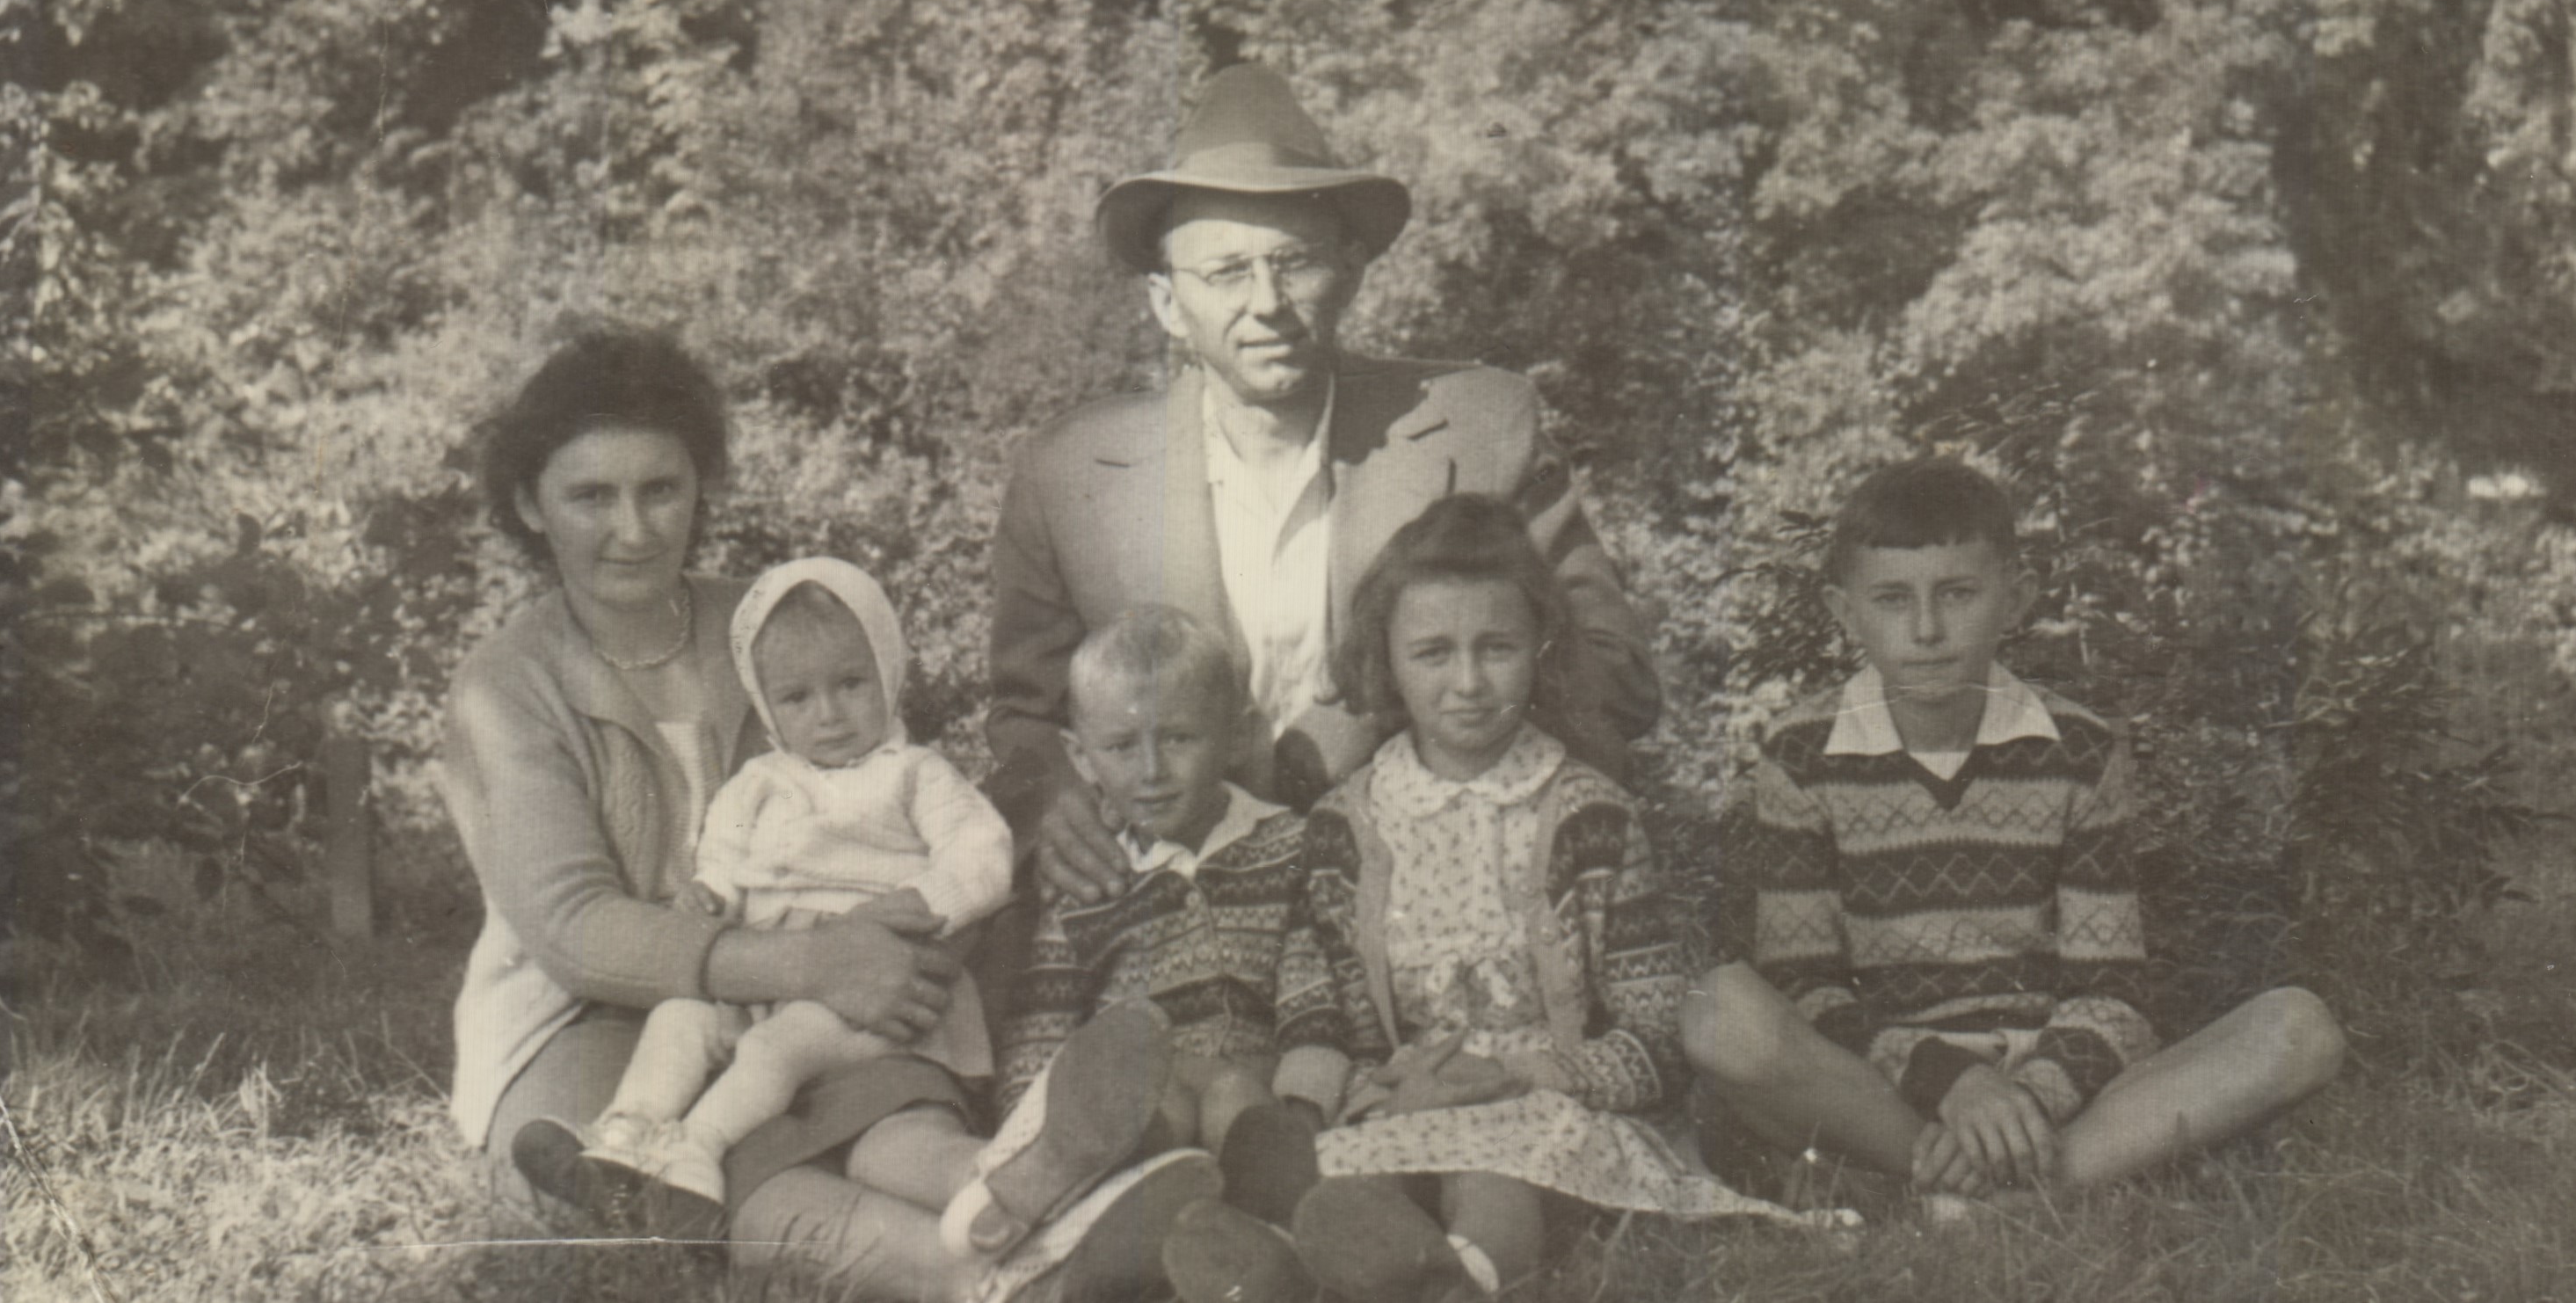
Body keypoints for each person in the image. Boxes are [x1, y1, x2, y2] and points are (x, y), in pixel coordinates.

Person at [437, 331, 1164, 1302]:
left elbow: (894, 810)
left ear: (702, 486)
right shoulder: (507, 684)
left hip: (820, 977)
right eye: (591, 497)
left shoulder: (773, 624)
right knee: (697, 1170)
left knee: (870, 1115)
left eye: (661, 489)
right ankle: (999, 1276)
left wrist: (892, 945)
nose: (634, 528)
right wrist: (812, 963)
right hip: (591, 1012)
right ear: (532, 505)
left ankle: (1058, 1208)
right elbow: (576, 929)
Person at [987, 62, 1661, 912]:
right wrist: (1052, 794)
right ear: (1166, 302)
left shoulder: (1481, 428)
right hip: (1166, 898)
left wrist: (1378, 722)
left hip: (1434, 890)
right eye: (1226, 272)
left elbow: (1615, 675)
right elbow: (1026, 714)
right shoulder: (1069, 471)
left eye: (1294, 262)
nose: (1267, 302)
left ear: (1351, 269)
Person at [1684, 458, 2347, 1206]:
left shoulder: (2079, 748)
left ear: (2016, 598)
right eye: (1893, 598)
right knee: (1721, 1009)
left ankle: (1964, 1184)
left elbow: (2111, 993)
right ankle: (2012, 1183)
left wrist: (2026, 1097)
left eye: (1958, 593)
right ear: (1844, 611)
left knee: (2299, 1028)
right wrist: (1952, 1083)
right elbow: (1804, 988)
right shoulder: (1801, 752)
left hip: (2052, 1082)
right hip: (1885, 1084)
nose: (1927, 629)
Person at [1181, 496, 1779, 1303]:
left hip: (1547, 1105)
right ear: (1386, 661)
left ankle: (1464, 1278)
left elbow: (1657, 1042)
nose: (1467, 682)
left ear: (1541, 648)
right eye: (1433, 652)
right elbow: (1319, 1013)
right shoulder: (1343, 825)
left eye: (1496, 648)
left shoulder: (1590, 816)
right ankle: (1291, 1273)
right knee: (1351, 1181)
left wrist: (1513, 1076)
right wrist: (1363, 1095)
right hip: (1401, 1105)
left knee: (1493, 1178)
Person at [515, 557, 1014, 1240]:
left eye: (851, 684)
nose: (829, 714)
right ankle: (626, 1133)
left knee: (777, 1047)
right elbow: (723, 854)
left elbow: (982, 852)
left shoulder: (915, 774)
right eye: (797, 697)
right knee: (680, 1016)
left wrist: (922, 902)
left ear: (889, 671)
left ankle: (696, 1150)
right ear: (768, 703)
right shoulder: (759, 781)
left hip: (879, 982)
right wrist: (710, 894)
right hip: (777, 967)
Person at [942, 607, 1328, 1278]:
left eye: (1178, 738)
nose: (1152, 770)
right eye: (1121, 747)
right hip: (1146, 1099)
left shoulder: (1289, 845)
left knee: (1234, 1097)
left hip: (1256, 1085)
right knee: (1157, 1100)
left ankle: (1247, 1243)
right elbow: (1043, 1024)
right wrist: (1028, 1124)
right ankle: (1077, 1196)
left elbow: (1311, 989)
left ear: (1236, 737)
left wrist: (1305, 1102)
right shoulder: (1089, 879)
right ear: (1080, 758)